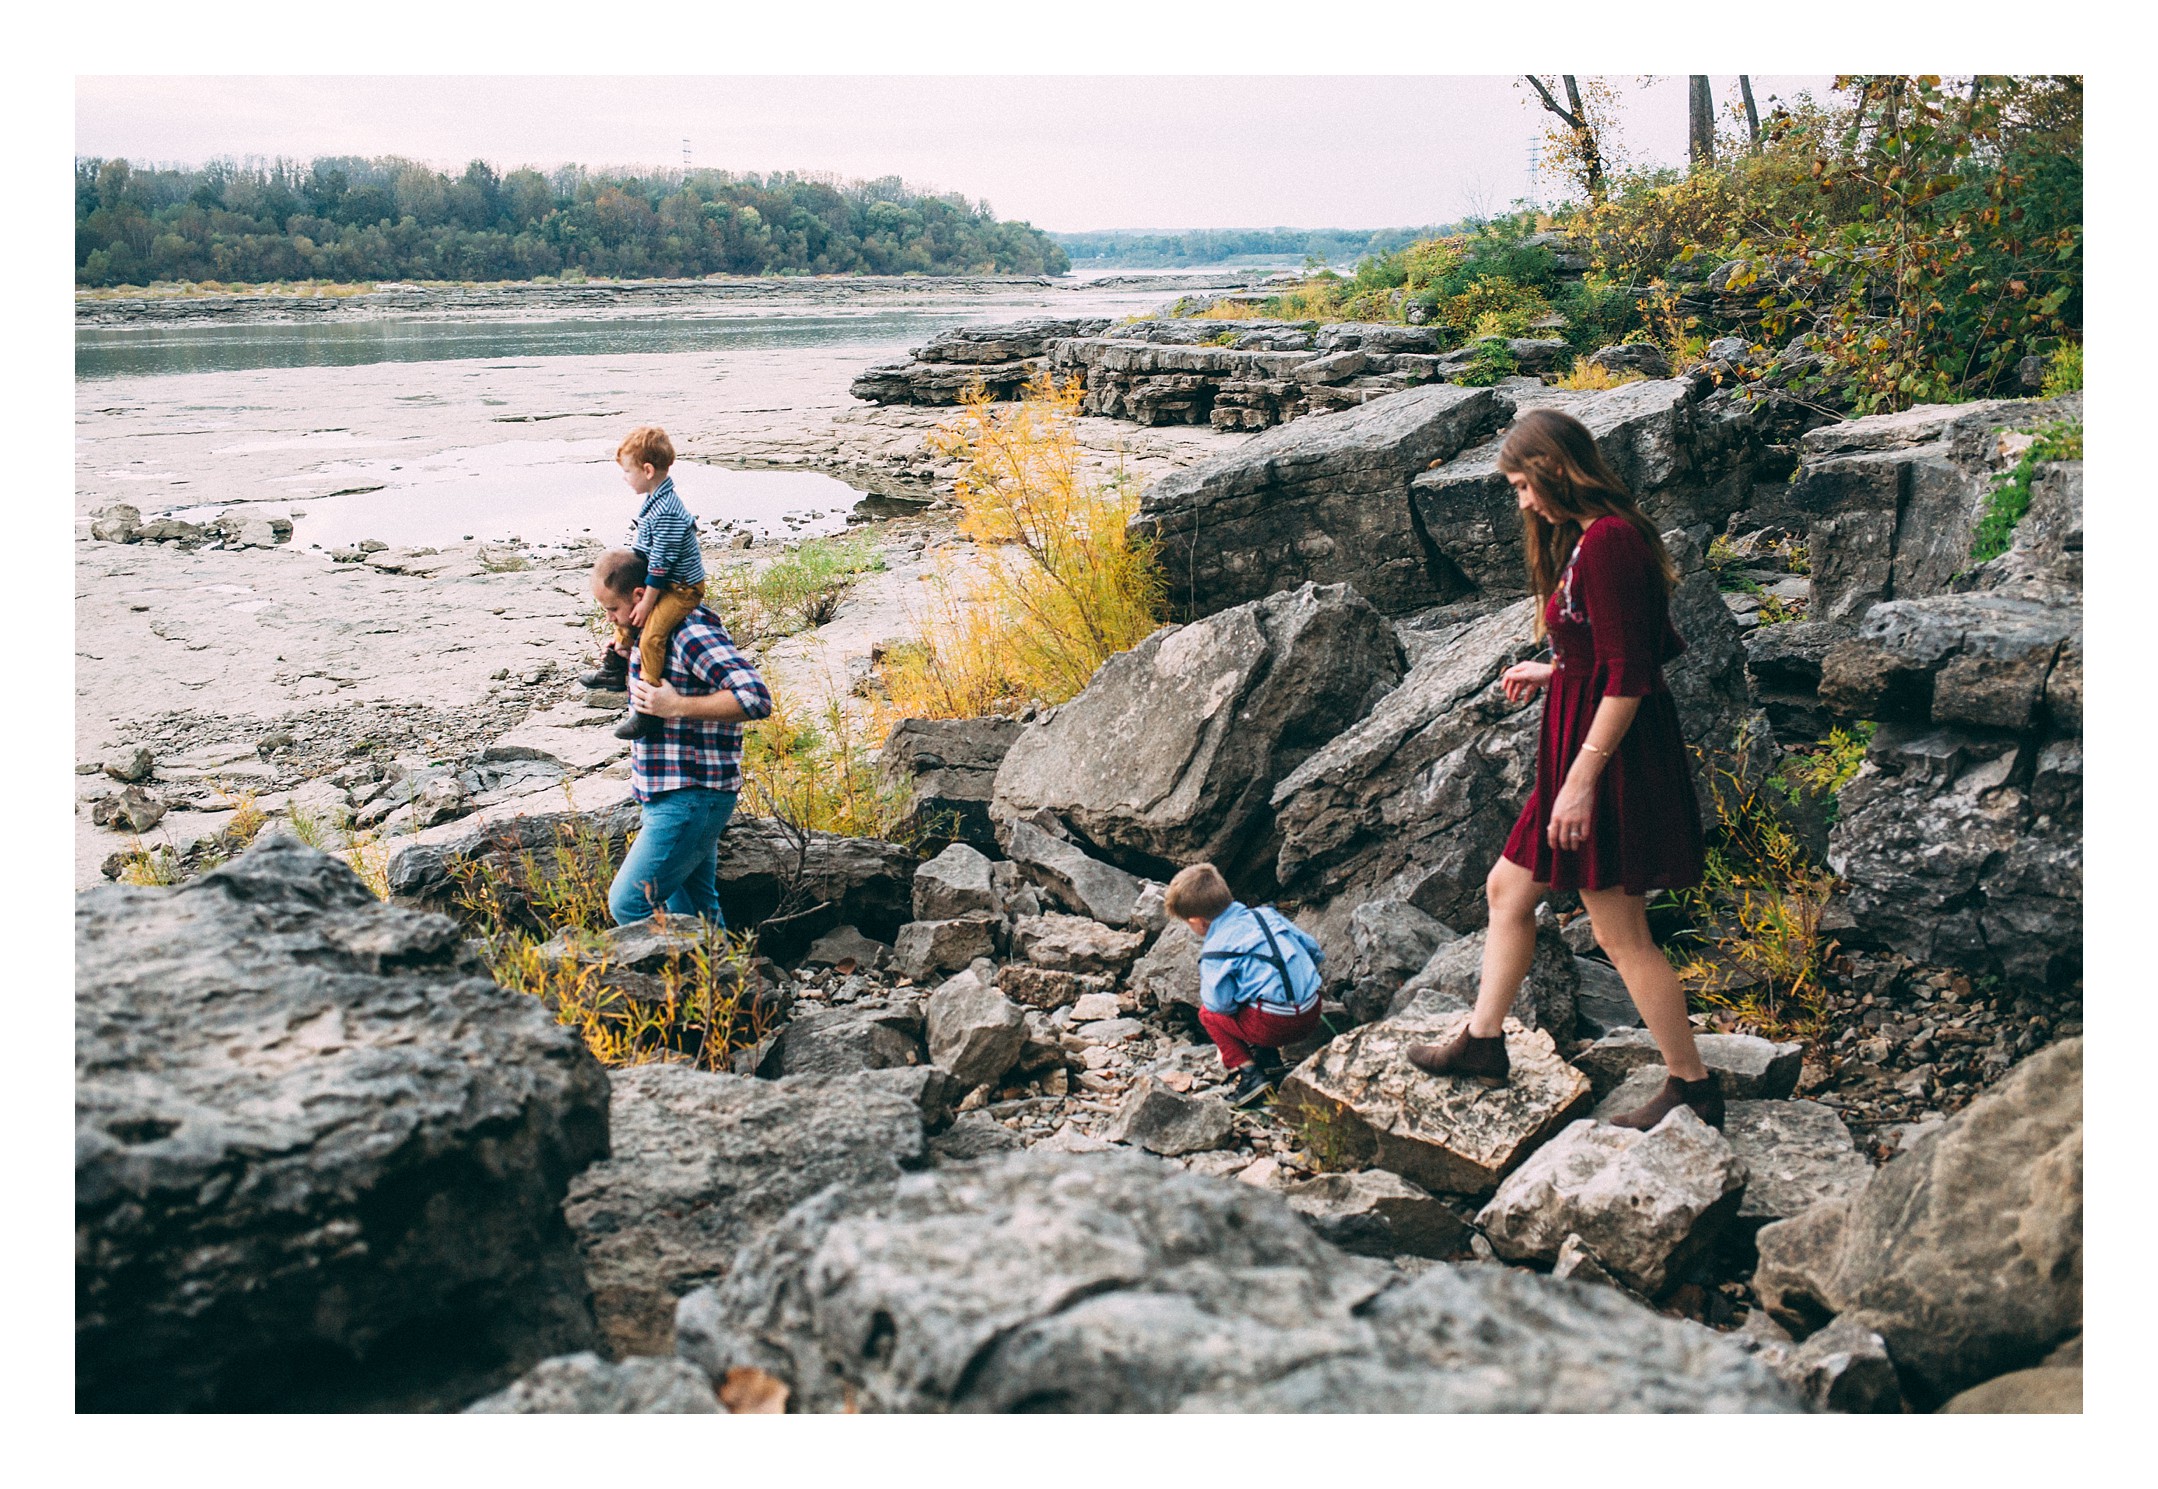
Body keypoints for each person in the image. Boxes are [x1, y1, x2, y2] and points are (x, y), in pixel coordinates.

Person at [1404, 408, 1723, 1130]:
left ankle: (1692, 1083)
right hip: (1580, 741)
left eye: (1522, 484)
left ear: (1555, 467)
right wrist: (1556, 668)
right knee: (1508, 887)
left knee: (1620, 932)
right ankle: (1484, 1041)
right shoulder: (1592, 541)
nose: (1522, 500)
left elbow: (1634, 673)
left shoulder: (1610, 542)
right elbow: (1615, 649)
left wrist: (1580, 782)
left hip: (1605, 758)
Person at [587, 547, 772, 928]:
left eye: (612, 609)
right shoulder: (651, 631)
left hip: (692, 795)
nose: (609, 619)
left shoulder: (690, 632)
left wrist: (677, 705)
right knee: (696, 913)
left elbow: (755, 698)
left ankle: (673, 982)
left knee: (629, 904)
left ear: (640, 596)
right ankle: (720, 985)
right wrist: (625, 659)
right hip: (672, 793)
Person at [580, 426, 708, 741]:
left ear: (647, 470)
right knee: (624, 609)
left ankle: (648, 707)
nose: (625, 478)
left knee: (651, 635)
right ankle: (615, 666)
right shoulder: (654, 499)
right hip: (660, 578)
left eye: (627, 471)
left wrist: (648, 601)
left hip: (680, 588)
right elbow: (644, 552)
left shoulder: (666, 511)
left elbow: (661, 565)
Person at [1167, 863, 1326, 1109]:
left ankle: (1251, 1074)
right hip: (1313, 1011)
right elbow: (1314, 951)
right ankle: (1268, 1058)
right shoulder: (1267, 915)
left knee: (1208, 1014)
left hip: (1275, 1026)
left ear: (1198, 922)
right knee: (1259, 990)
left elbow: (1220, 1005)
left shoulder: (1216, 950)